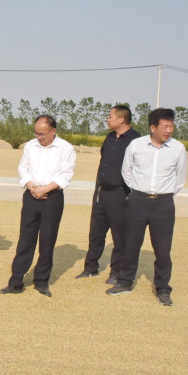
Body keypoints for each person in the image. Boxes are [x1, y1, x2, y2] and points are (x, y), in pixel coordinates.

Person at [107, 108, 187, 306]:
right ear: (153, 127)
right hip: (138, 201)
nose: (169, 130)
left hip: (164, 204)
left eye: (171, 126)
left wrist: (162, 194)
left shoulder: (178, 149)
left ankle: (163, 289)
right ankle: (125, 282)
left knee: (163, 249)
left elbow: (180, 179)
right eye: (165, 126)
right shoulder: (136, 145)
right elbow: (126, 171)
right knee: (131, 244)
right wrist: (138, 191)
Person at [0, 115, 76, 297]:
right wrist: (31, 186)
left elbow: (66, 174)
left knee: (47, 240)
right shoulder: (30, 146)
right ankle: (16, 281)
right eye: (36, 133)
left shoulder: (66, 148)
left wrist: (45, 189)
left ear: (53, 131)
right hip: (31, 196)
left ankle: (41, 281)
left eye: (42, 134)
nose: (39, 137)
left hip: (53, 197)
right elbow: (22, 168)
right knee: (25, 239)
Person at [76, 105, 141, 284]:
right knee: (95, 233)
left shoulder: (136, 141)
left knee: (119, 236)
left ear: (121, 119)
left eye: (110, 116)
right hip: (101, 192)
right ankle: (90, 268)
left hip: (120, 194)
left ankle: (116, 272)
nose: (108, 119)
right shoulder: (110, 137)